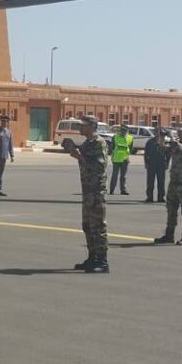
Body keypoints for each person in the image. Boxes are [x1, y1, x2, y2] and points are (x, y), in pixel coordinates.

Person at [66, 115, 109, 272]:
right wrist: (73, 150)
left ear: (92, 126)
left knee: (98, 226)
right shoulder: (87, 143)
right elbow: (84, 160)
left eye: (83, 125)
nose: (81, 128)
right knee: (88, 226)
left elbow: (99, 166)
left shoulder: (99, 143)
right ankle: (92, 258)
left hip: (97, 190)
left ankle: (102, 262)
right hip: (87, 190)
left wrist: (79, 156)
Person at [143, 128, 169, 203]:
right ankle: (149, 197)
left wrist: (167, 162)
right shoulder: (150, 142)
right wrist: (146, 163)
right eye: (156, 132)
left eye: (159, 133)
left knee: (161, 181)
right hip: (152, 163)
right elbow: (146, 153)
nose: (157, 134)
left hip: (161, 163)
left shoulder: (164, 142)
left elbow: (168, 154)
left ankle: (161, 197)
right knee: (150, 181)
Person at [108, 123, 134, 195]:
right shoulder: (115, 137)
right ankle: (112, 190)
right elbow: (112, 147)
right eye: (122, 130)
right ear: (120, 130)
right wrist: (111, 155)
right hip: (116, 159)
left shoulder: (130, 138)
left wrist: (127, 154)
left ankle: (123, 190)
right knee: (115, 175)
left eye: (125, 130)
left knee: (123, 176)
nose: (123, 132)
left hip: (125, 159)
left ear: (127, 131)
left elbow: (131, 149)